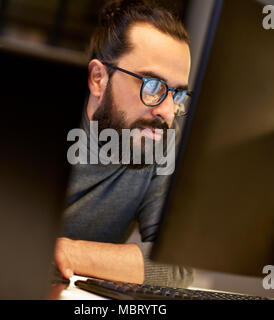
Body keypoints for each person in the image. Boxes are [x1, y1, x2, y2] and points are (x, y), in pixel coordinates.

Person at [54, 0, 195, 287]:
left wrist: (66, 251)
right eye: (152, 85)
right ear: (98, 78)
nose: (167, 113)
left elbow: (177, 265)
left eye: (176, 94)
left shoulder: (162, 137)